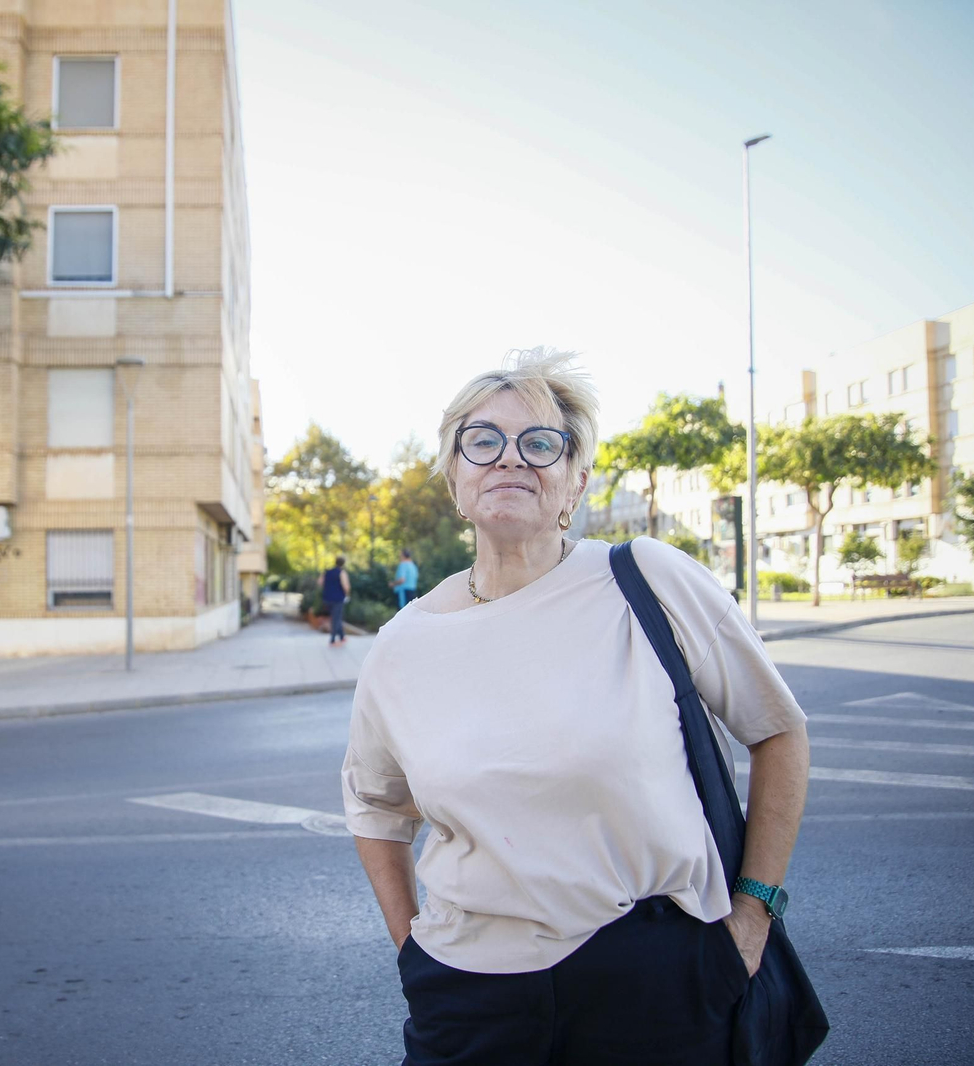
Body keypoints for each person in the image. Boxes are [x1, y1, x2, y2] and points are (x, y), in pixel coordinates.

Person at [341, 348, 811, 1065]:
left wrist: (753, 913)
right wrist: (414, 955)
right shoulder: (403, 645)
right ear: (455, 477)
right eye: (483, 441)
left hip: (659, 983)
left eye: (540, 443)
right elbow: (375, 808)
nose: (510, 458)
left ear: (576, 482)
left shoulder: (645, 580)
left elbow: (778, 730)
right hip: (468, 995)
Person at [319, 554, 351, 645]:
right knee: (336, 618)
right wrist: (347, 594)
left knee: (336, 617)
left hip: (327, 598)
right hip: (338, 598)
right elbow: (346, 586)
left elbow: (320, 582)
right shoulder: (342, 573)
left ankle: (342, 637)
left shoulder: (327, 572)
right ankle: (332, 638)